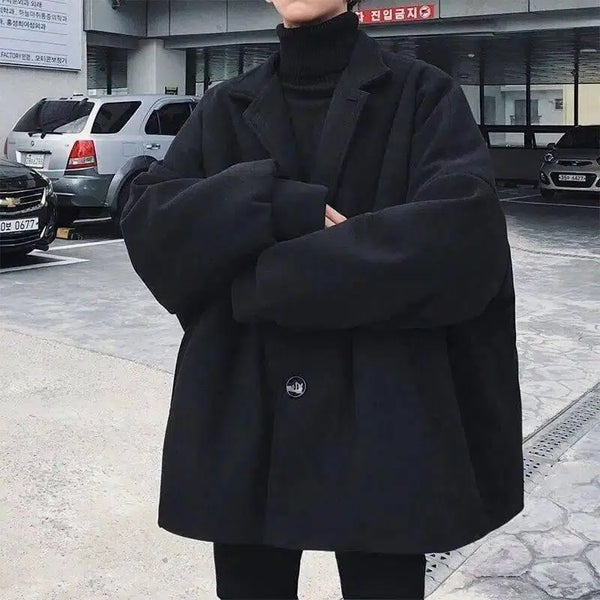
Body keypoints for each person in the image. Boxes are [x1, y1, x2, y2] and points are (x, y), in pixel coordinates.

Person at [120, 0, 524, 598]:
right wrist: (276, 204)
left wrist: (259, 281)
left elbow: (462, 243)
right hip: (249, 415)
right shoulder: (223, 106)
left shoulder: (421, 95)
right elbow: (152, 225)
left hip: (382, 417)